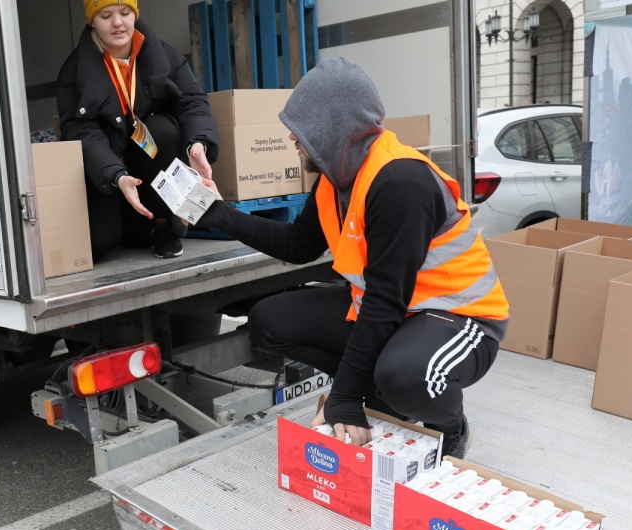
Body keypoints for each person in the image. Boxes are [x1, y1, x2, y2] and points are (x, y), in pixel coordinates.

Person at [195, 58, 509, 459]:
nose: (293, 137)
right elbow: (298, 246)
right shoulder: (336, 178)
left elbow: (386, 299)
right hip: (396, 312)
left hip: (458, 317)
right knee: (268, 321)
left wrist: (343, 396)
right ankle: (380, 389)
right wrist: (222, 214)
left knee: (407, 377)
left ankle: (449, 424)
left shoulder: (400, 182)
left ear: (333, 127)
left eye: (302, 127)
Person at [57, 0, 219, 260]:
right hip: (109, 168)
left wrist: (198, 144)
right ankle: (131, 223)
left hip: (150, 159)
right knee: (100, 244)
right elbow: (81, 131)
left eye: (125, 13)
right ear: (92, 21)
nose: (118, 23)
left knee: (161, 129)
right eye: (106, 15)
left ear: (135, 14)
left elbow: (192, 103)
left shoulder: (163, 53)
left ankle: (164, 225)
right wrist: (116, 175)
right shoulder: (75, 69)